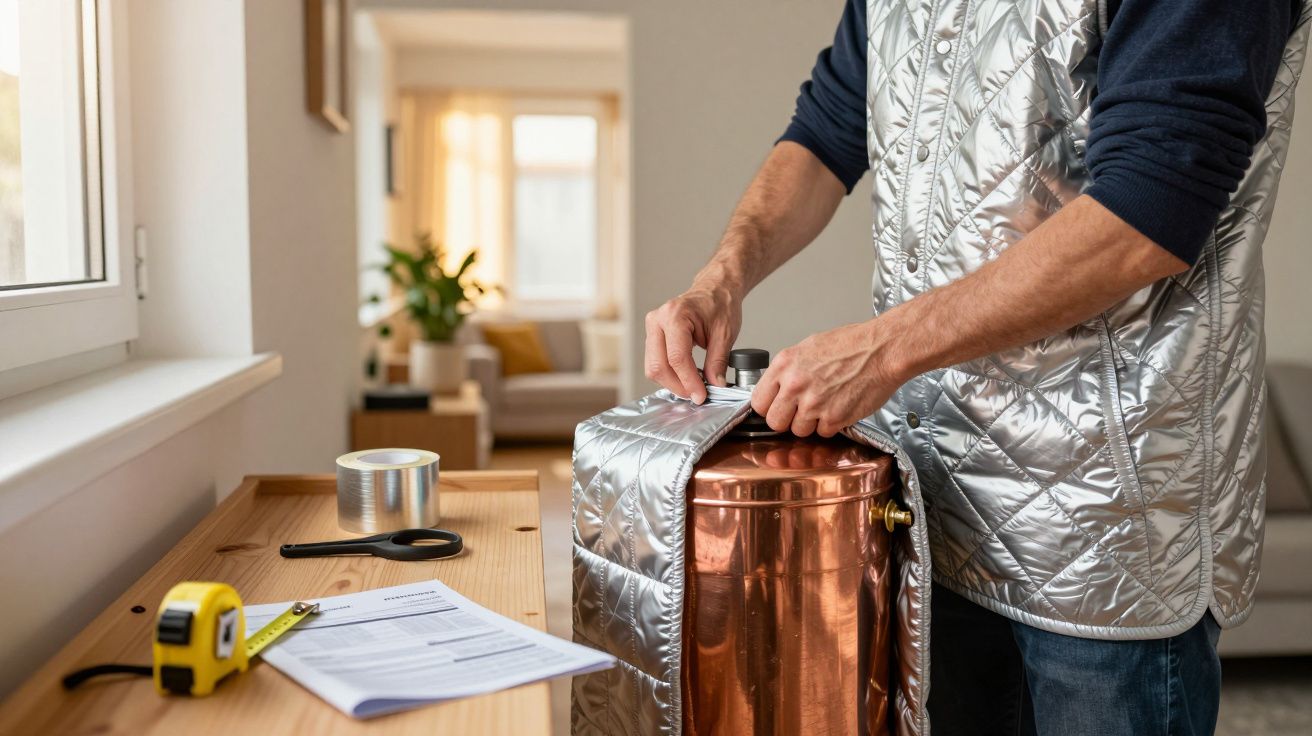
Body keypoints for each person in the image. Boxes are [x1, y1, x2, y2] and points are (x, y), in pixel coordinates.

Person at [643, 1, 1308, 734]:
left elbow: (1147, 214)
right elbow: (827, 130)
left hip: (1104, 523)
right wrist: (722, 276)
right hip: (934, 500)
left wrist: (883, 349)